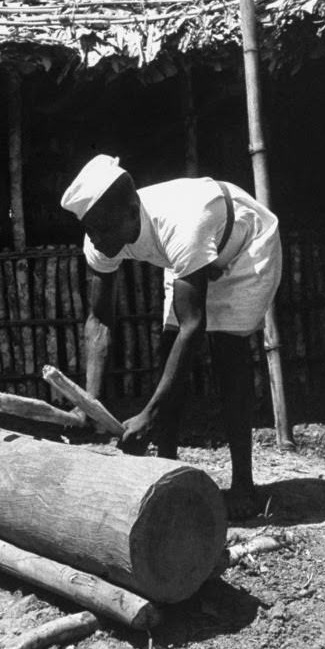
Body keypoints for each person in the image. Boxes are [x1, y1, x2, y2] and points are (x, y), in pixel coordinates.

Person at [60, 154, 282, 520]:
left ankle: (244, 486)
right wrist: (90, 404)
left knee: (227, 349)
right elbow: (99, 318)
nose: (96, 240)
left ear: (133, 212)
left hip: (244, 244)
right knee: (168, 350)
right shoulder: (101, 235)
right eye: (90, 231)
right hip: (187, 257)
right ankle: (166, 471)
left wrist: (148, 415)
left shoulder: (182, 222)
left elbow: (194, 326)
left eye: (102, 230)